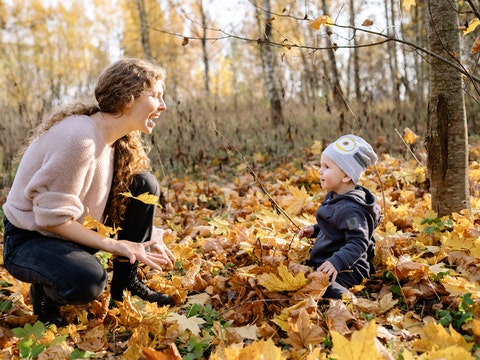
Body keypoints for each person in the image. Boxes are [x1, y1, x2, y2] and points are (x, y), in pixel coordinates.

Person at [2, 58, 177, 327]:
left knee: (143, 184)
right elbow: (51, 219)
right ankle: (45, 295)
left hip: (66, 234)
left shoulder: (115, 139)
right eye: (155, 96)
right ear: (127, 99)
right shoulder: (80, 139)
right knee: (88, 280)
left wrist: (147, 235)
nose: (163, 106)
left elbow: (97, 204)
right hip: (29, 240)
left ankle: (125, 288)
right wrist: (116, 245)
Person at [297, 134, 382, 299]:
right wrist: (315, 230)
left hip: (350, 266)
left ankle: (350, 303)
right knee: (306, 280)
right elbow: (335, 225)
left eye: (327, 167)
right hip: (328, 259)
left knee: (326, 289)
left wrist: (338, 261)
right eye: (321, 165)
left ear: (346, 176)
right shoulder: (334, 195)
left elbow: (358, 241)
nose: (320, 171)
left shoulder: (351, 210)